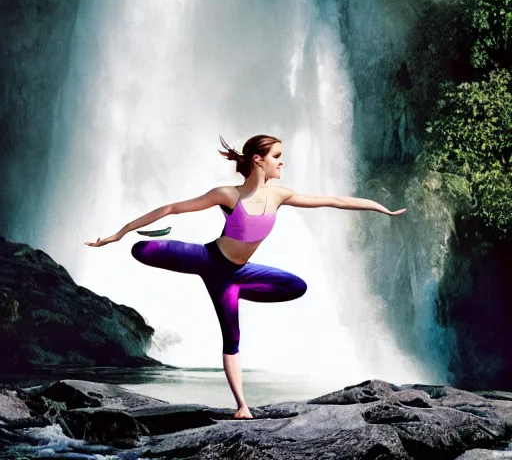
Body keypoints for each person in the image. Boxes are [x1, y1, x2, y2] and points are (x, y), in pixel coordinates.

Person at [85, 134, 406, 419]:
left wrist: (381, 209)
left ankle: (240, 385)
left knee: (294, 287)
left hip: (236, 274)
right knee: (142, 251)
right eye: (277, 157)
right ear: (258, 160)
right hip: (209, 260)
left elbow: (334, 201)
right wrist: (119, 233)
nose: (283, 162)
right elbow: (172, 208)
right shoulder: (228, 195)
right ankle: (242, 401)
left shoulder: (279, 195)